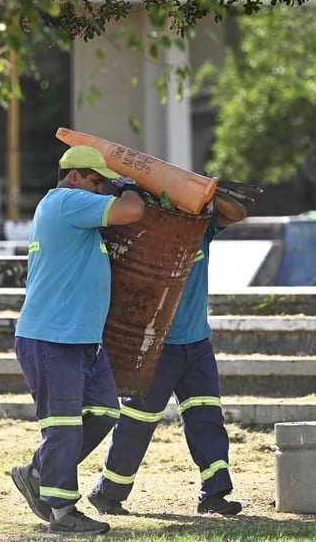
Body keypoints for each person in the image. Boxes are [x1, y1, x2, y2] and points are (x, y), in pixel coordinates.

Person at [10, 145, 145, 536]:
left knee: (104, 412)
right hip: (51, 338)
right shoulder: (68, 201)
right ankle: (61, 513)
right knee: (64, 425)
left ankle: (37, 472)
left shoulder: (74, 209)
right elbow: (132, 211)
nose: (103, 189)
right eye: (97, 181)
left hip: (81, 340)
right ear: (73, 176)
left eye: (105, 183)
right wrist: (130, 185)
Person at [87, 191, 248, 517]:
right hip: (157, 347)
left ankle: (214, 493)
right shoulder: (147, 235)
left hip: (197, 344)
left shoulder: (200, 229)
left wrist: (208, 191)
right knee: (138, 421)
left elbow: (237, 212)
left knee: (206, 416)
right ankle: (108, 492)